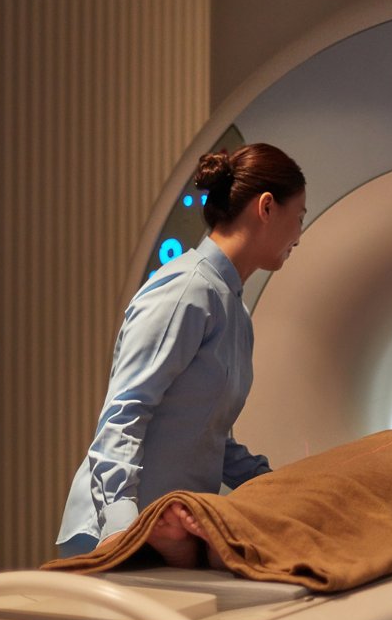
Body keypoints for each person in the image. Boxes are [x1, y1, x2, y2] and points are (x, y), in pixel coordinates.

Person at [55, 143, 307, 558]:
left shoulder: (234, 309)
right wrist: (122, 527)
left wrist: (273, 484)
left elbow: (208, 436)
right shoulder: (187, 291)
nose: (298, 234)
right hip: (121, 532)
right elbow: (124, 413)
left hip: (169, 534)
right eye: (298, 217)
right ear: (266, 208)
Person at [143, 392, 392, 569]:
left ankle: (219, 543)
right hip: (387, 458)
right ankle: (219, 528)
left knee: (332, 505)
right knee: (305, 482)